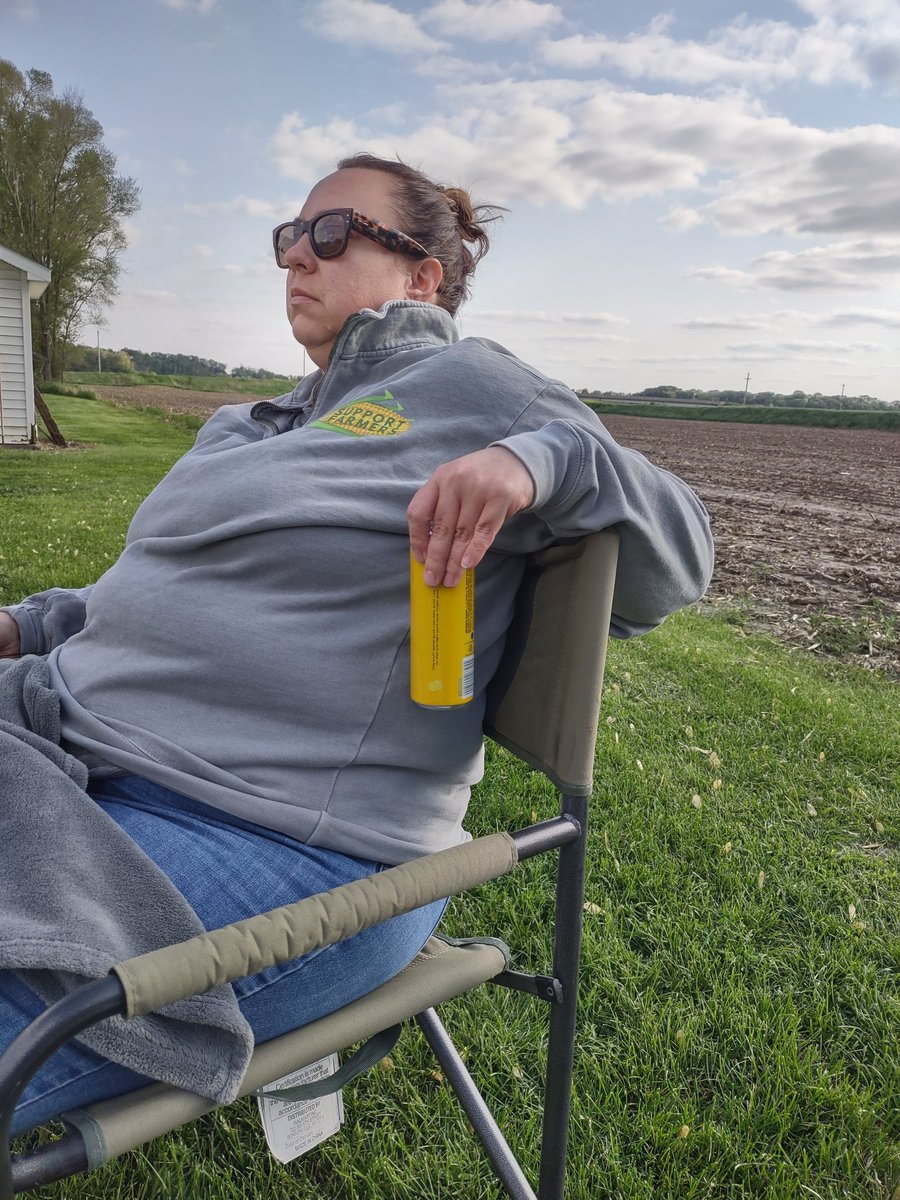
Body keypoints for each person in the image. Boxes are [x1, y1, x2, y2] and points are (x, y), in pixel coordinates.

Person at [0, 152, 714, 1132]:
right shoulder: (247, 425)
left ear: (425, 274)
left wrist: (537, 459)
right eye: (288, 236)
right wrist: (24, 625)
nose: (299, 254)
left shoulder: (473, 384)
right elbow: (151, 592)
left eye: (331, 233)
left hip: (278, 839)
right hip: (72, 749)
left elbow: (681, 556)